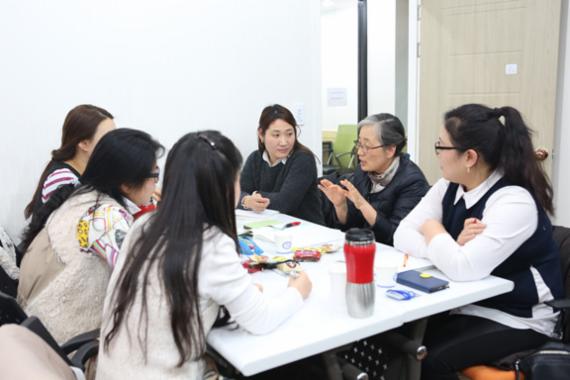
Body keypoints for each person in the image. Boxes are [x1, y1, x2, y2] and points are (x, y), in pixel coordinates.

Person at [97, 131, 312, 379]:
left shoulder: (145, 224)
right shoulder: (211, 244)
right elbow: (261, 320)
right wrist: (298, 290)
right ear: (225, 187)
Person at [393, 104, 564, 379]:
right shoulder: (447, 185)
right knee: (395, 335)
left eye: (441, 146)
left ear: (469, 157)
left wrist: (434, 229)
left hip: (517, 316)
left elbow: (464, 268)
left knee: (429, 359)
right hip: (467, 303)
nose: (436, 153)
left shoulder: (512, 200)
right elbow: (402, 234)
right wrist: (451, 246)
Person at [17, 128, 164, 344]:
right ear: (125, 183)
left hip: (40, 329)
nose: (156, 185)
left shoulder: (83, 195)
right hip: (68, 343)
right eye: (155, 176)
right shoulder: (104, 218)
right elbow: (149, 279)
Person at [319, 113, 429, 245]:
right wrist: (341, 206)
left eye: (367, 146)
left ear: (390, 150)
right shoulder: (363, 171)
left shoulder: (412, 182)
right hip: (365, 249)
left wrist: (362, 204)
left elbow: (395, 237)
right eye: (359, 144)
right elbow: (351, 228)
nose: (359, 152)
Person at [24, 104, 115, 220]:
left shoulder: (91, 171)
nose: (115, 143)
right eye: (108, 138)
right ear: (84, 143)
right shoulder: (63, 180)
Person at [240, 104, 324, 224]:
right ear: (261, 134)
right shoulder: (255, 158)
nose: (284, 142)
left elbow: (285, 203)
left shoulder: (303, 159)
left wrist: (255, 195)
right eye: (276, 135)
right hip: (269, 228)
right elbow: (237, 194)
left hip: (306, 230)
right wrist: (246, 200)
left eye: (289, 134)